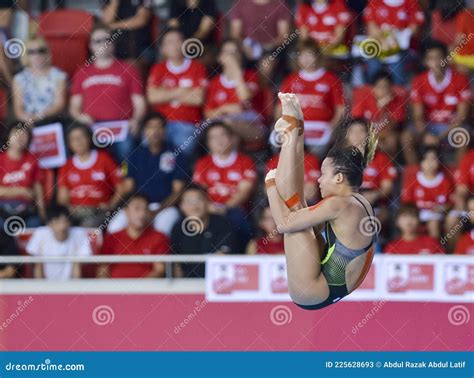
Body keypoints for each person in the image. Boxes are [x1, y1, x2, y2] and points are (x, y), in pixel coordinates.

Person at [266, 93, 377, 310]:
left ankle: (294, 131)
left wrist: (270, 183)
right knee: (298, 212)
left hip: (314, 291)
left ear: (338, 178)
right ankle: (294, 131)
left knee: (295, 219)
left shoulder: (339, 204)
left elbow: (283, 224)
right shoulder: (359, 202)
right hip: (332, 283)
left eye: (323, 174)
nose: (317, 179)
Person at [69, 24, 146, 161]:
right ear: (90, 46)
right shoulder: (82, 72)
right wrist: (81, 117)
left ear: (113, 43)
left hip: (122, 127)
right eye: (97, 41)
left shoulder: (129, 69)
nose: (103, 44)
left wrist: (136, 120)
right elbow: (74, 106)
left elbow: (139, 103)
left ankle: (125, 180)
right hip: (92, 127)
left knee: (126, 154)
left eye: (106, 40)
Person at [106, 113, 187, 236]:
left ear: (165, 131)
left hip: (164, 207)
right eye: (150, 127)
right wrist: (128, 208)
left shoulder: (177, 155)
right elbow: (128, 187)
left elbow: (178, 191)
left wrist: (157, 211)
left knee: (162, 230)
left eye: (159, 127)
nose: (155, 131)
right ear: (144, 131)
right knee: (114, 227)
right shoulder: (134, 155)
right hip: (137, 205)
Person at [193, 122, 257, 252]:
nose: (219, 140)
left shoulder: (245, 161)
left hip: (236, 210)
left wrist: (224, 208)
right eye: (213, 137)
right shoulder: (202, 163)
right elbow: (198, 191)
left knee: (235, 218)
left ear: (232, 138)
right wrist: (209, 207)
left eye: (223, 135)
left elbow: (243, 192)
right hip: (208, 210)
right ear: (208, 142)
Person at [147, 28, 207, 160]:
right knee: (146, 144)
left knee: (182, 148)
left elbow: (197, 99)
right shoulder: (158, 68)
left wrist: (165, 93)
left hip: (188, 123)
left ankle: (178, 179)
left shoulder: (197, 67)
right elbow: (152, 97)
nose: (174, 45)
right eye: (169, 42)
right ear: (162, 49)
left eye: (178, 40)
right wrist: (182, 91)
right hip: (160, 124)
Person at [279, 40, 345, 158]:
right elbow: (280, 108)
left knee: (317, 152)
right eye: (302, 55)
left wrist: (332, 128)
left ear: (317, 56)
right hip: (296, 126)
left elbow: (340, 109)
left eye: (309, 54)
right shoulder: (291, 80)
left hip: (322, 126)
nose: (306, 59)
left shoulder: (330, 79)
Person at [408, 40, 471, 163]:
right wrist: (426, 135)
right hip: (428, 127)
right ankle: (416, 177)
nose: (436, 62)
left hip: (451, 127)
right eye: (431, 59)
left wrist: (439, 137)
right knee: (407, 137)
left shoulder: (461, 79)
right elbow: (418, 116)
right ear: (425, 62)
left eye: (438, 58)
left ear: (446, 58)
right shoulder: (419, 81)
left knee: (463, 135)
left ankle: (459, 176)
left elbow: (461, 117)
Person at [57, 124, 124, 228]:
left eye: (81, 137)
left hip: (100, 210)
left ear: (89, 138)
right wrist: (69, 208)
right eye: (74, 139)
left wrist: (111, 205)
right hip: (76, 212)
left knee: (88, 226)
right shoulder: (67, 165)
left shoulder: (104, 158)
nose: (78, 141)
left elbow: (121, 188)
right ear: (69, 144)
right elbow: (62, 197)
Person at [204, 39, 266, 148]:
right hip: (224, 126)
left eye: (234, 52)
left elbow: (244, 97)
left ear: (240, 56)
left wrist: (236, 72)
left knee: (227, 126)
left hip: (252, 126)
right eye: (227, 52)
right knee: (223, 129)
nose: (231, 56)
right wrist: (225, 108)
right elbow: (208, 114)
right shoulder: (214, 82)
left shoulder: (251, 76)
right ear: (220, 57)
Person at [171, 184, 238, 278]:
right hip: (187, 286)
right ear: (181, 206)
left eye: (198, 200)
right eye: (189, 201)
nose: (194, 206)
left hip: (216, 284)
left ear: (207, 202)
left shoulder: (222, 224)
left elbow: (224, 256)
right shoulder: (178, 228)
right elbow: (176, 264)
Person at [98, 193, 169, 279]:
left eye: (145, 209)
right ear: (126, 211)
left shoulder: (159, 237)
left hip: (147, 290)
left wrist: (138, 289)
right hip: (115, 290)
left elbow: (159, 270)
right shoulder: (112, 239)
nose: (142, 213)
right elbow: (102, 270)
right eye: (137, 209)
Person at [363, 0, 425, 85]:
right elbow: (371, 28)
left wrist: (396, 34)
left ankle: (399, 92)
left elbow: (415, 29)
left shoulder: (411, 2)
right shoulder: (375, 2)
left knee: (397, 65)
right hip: (381, 46)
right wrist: (386, 39)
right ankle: (373, 93)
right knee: (373, 65)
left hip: (405, 49)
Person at [26, 206, 92, 280]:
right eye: (57, 222)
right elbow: (37, 266)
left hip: (70, 286)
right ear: (49, 224)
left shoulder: (79, 234)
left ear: (70, 222)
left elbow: (77, 267)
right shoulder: (40, 234)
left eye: (65, 221)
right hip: (45, 286)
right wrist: (40, 289)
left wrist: (75, 289)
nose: (62, 226)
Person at [401, 146, 454, 239]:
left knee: (434, 222)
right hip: (417, 214)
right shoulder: (413, 180)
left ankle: (433, 249)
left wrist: (442, 208)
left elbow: (450, 202)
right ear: (421, 163)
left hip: (438, 216)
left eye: (433, 159)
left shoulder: (445, 181)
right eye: (426, 160)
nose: (430, 163)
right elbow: (407, 202)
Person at [12, 36, 67, 124]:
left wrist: (38, 117)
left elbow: (59, 105)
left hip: (52, 120)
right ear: (26, 55)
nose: (37, 55)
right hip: (26, 123)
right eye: (31, 52)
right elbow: (18, 109)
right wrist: (29, 121)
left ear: (47, 53)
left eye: (41, 51)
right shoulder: (19, 78)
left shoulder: (59, 75)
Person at [351, 71, 406, 158]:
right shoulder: (364, 97)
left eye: (386, 87)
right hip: (365, 133)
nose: (383, 90)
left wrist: (384, 109)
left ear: (391, 88)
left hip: (385, 133)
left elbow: (393, 126)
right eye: (380, 87)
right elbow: (356, 121)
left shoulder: (397, 100)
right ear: (373, 88)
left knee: (392, 140)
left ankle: (387, 167)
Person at [0, 123, 45, 226]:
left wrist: (42, 212)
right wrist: (22, 191)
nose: (20, 138)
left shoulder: (32, 159)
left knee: (35, 224)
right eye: (16, 133)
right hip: (2, 207)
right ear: (8, 137)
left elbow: (37, 188)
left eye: (24, 135)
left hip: (26, 209)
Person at [101, 0, 154, 71]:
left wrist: (114, 26)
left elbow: (141, 20)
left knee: (132, 68)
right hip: (115, 46)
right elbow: (107, 20)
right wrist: (115, 2)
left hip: (141, 47)